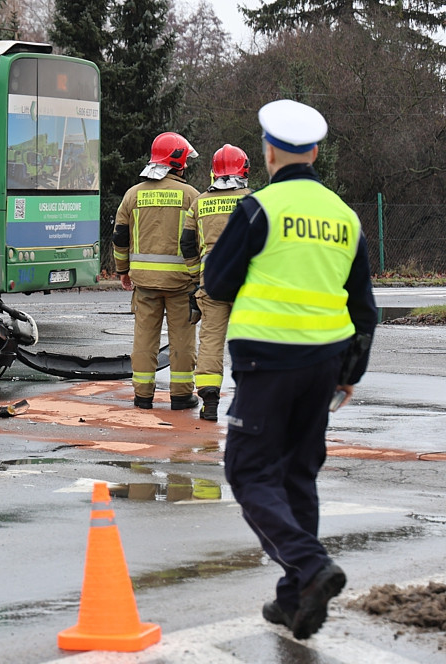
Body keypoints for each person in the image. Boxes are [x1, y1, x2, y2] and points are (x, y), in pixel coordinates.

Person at [204, 99, 377, 640]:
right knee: (298, 475)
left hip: (267, 359)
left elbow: (216, 282)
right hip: (324, 365)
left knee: (249, 471)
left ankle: (309, 564)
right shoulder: (344, 216)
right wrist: (351, 372)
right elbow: (364, 307)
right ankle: (296, 601)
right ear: (316, 151)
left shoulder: (259, 209)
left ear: (269, 150)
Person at [112, 131, 201, 410]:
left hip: (144, 284)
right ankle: (182, 395)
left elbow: (120, 237)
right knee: (183, 340)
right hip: (181, 284)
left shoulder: (132, 195)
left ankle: (143, 396)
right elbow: (198, 240)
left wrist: (122, 270)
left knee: (144, 340)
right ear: (178, 162)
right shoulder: (191, 196)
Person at [180, 144, 252, 421]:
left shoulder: (199, 202)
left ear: (214, 171)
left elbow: (187, 244)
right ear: (244, 169)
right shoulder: (253, 200)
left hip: (212, 282)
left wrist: (194, 277)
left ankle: (209, 402)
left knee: (210, 340)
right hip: (249, 283)